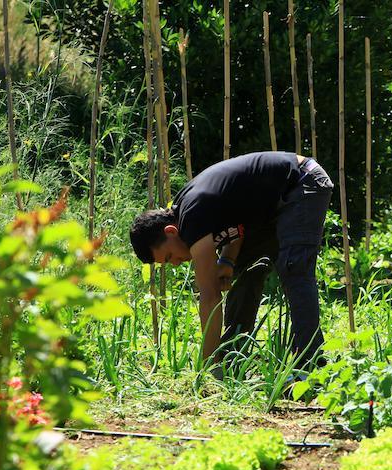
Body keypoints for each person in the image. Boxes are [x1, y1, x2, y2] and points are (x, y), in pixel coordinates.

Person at [129, 151, 333, 372]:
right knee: (248, 270)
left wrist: (207, 369)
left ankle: (310, 364)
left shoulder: (192, 218)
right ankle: (233, 355)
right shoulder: (186, 211)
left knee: (294, 268)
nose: (176, 264)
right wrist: (228, 260)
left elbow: (210, 298)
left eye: (169, 257)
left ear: (170, 231)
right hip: (275, 203)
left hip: (302, 182)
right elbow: (237, 217)